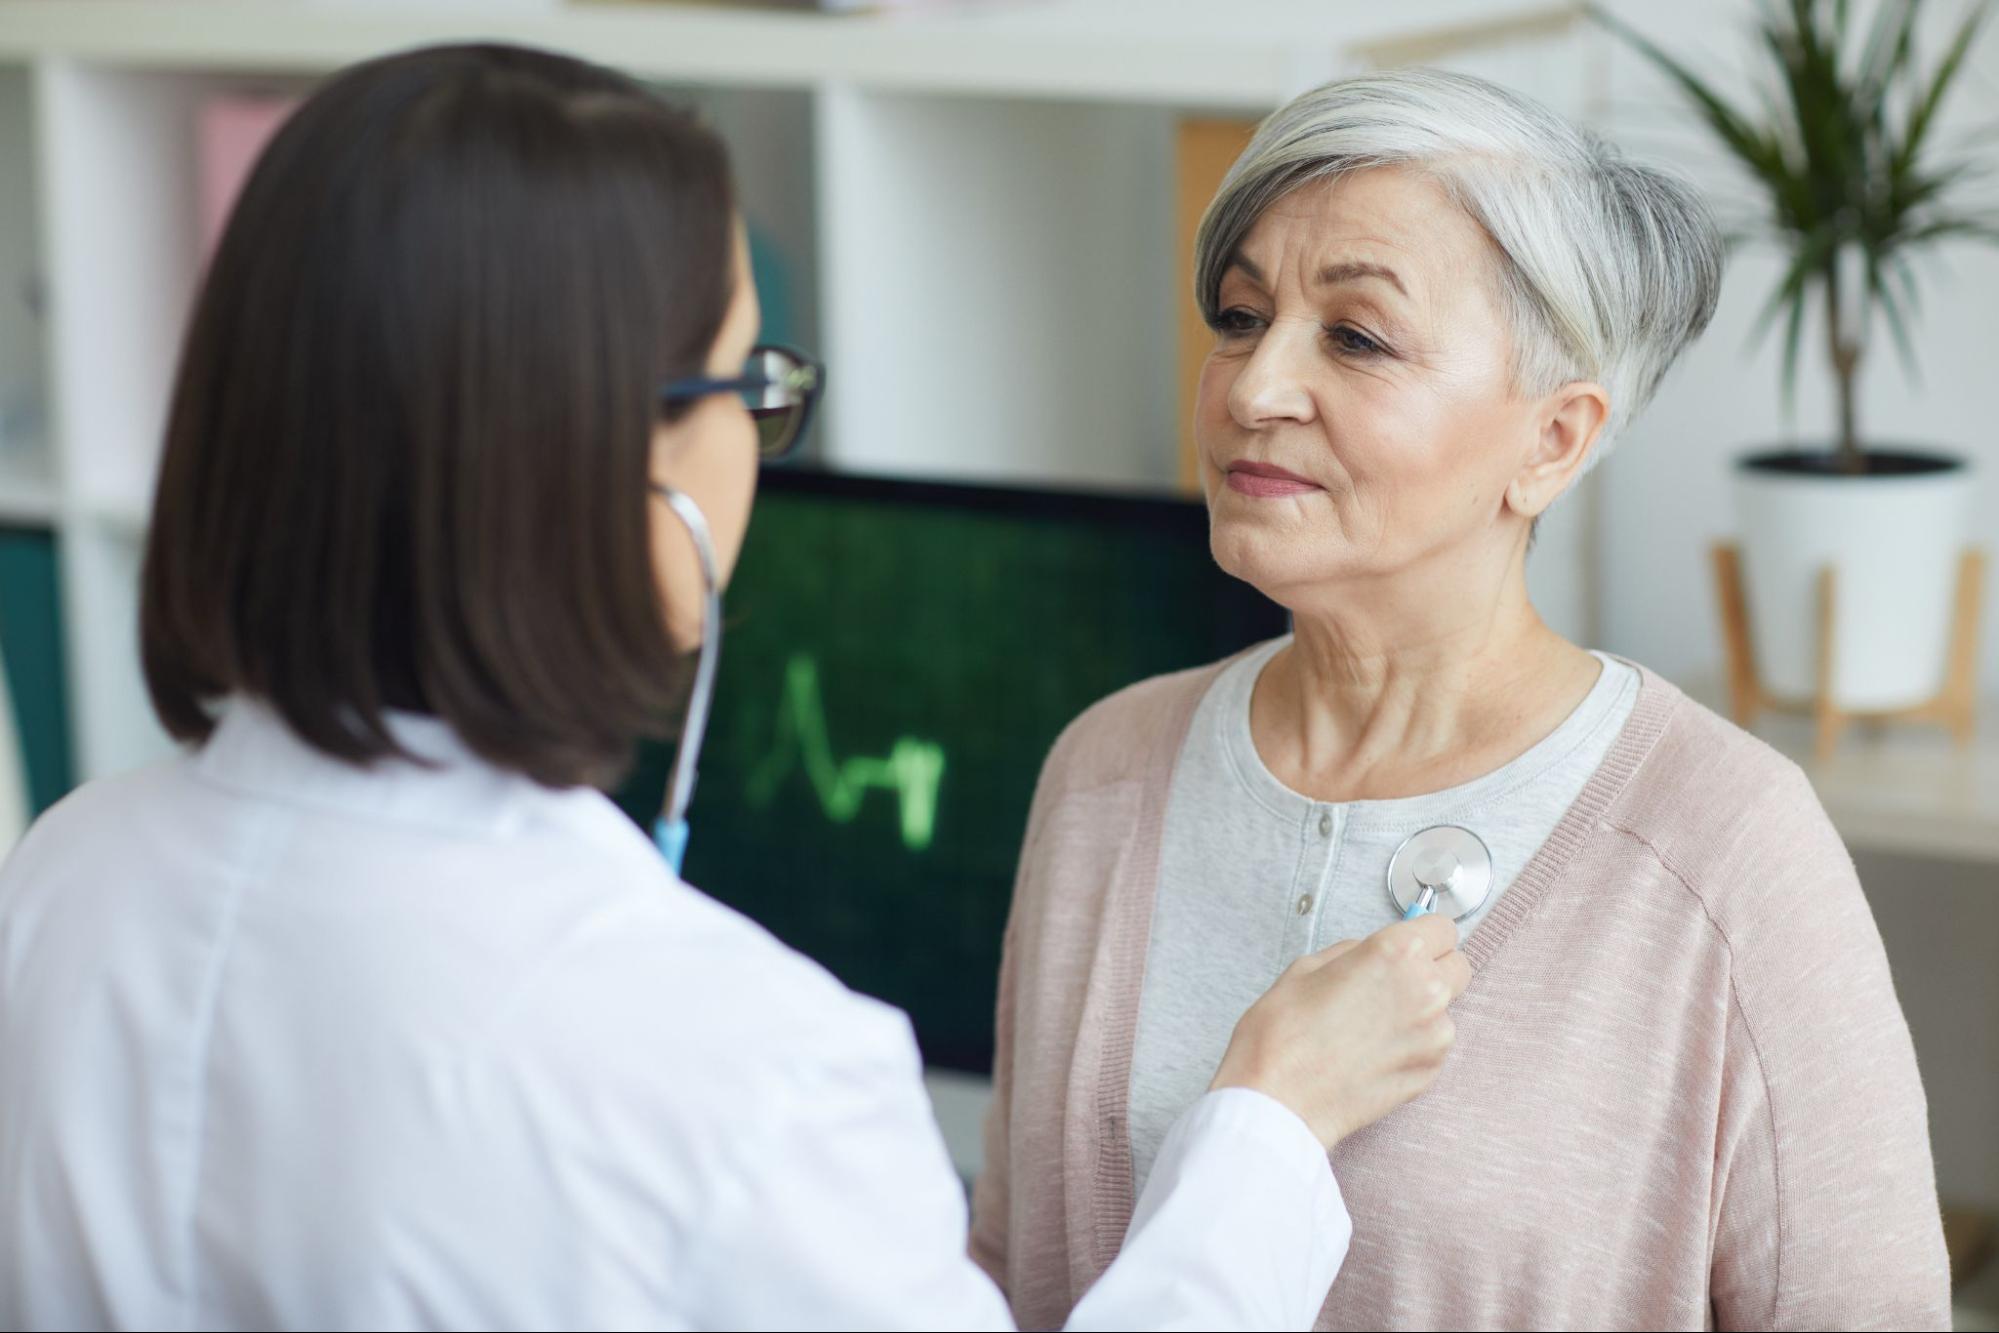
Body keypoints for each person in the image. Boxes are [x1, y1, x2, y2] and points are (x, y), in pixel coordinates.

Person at [0, 44, 1473, 1330]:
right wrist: (1269, 1125)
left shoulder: (63, 879)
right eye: (749, 384)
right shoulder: (743, 1074)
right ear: (622, 468)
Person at [970, 68, 1951, 1331]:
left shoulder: (1724, 844)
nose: (1252, 388)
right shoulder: (1105, 773)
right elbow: (1006, 1272)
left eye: (1356, 336)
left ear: (1552, 440)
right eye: (1240, 315)